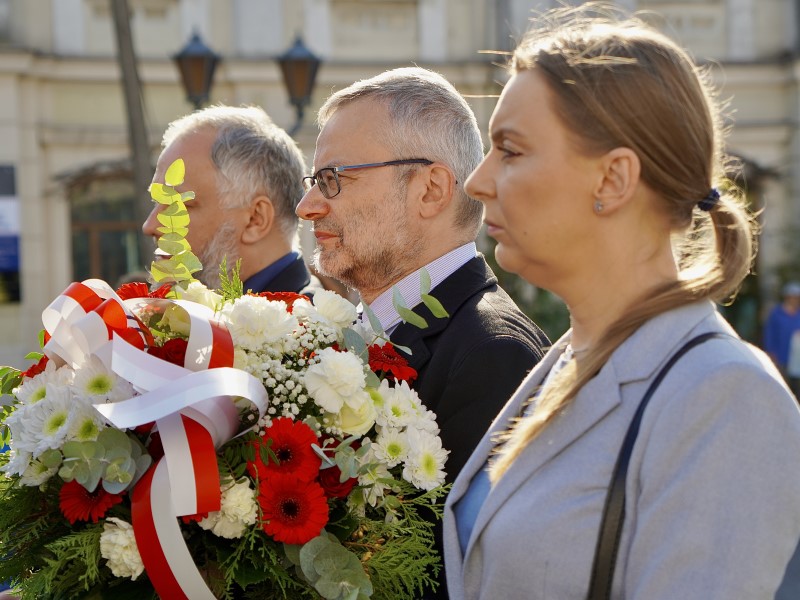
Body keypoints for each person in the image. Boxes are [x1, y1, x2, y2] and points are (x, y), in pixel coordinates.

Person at [443, 6, 800, 600]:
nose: (477, 181)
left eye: (510, 150)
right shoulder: (566, 361)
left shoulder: (723, 395)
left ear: (612, 179)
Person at [296, 67, 550, 598]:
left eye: (334, 179)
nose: (308, 206)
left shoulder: (494, 355)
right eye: (313, 181)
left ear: (431, 188)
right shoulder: (352, 329)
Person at [143, 104, 321, 295]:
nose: (150, 226)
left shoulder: (305, 322)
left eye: (177, 206)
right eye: (157, 203)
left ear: (255, 219)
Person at [764, 281, 800, 395]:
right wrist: (771, 352)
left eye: (797, 297)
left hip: (797, 358)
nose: (795, 300)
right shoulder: (776, 313)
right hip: (780, 355)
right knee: (783, 385)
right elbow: (769, 333)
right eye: (792, 297)